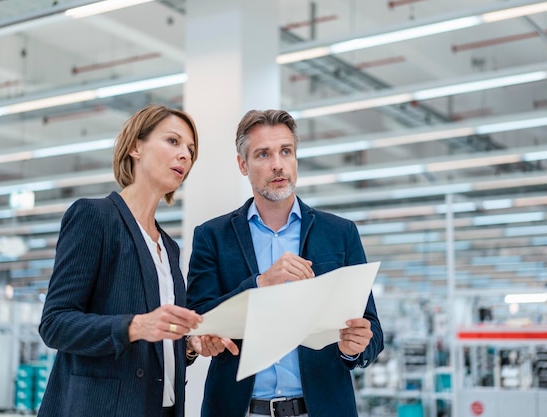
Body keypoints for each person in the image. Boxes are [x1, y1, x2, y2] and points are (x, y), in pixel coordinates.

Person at [38, 105, 236, 417]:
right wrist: (137, 325)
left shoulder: (168, 246)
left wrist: (189, 345)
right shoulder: (94, 217)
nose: (185, 154)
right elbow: (55, 324)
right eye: (173, 141)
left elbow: (159, 345)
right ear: (135, 146)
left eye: (190, 149)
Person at [186, 109, 384, 417]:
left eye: (286, 151)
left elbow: (373, 330)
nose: (278, 164)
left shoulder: (340, 233)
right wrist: (260, 284)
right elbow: (198, 319)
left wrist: (356, 348)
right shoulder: (212, 236)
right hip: (240, 409)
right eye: (263, 154)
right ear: (243, 165)